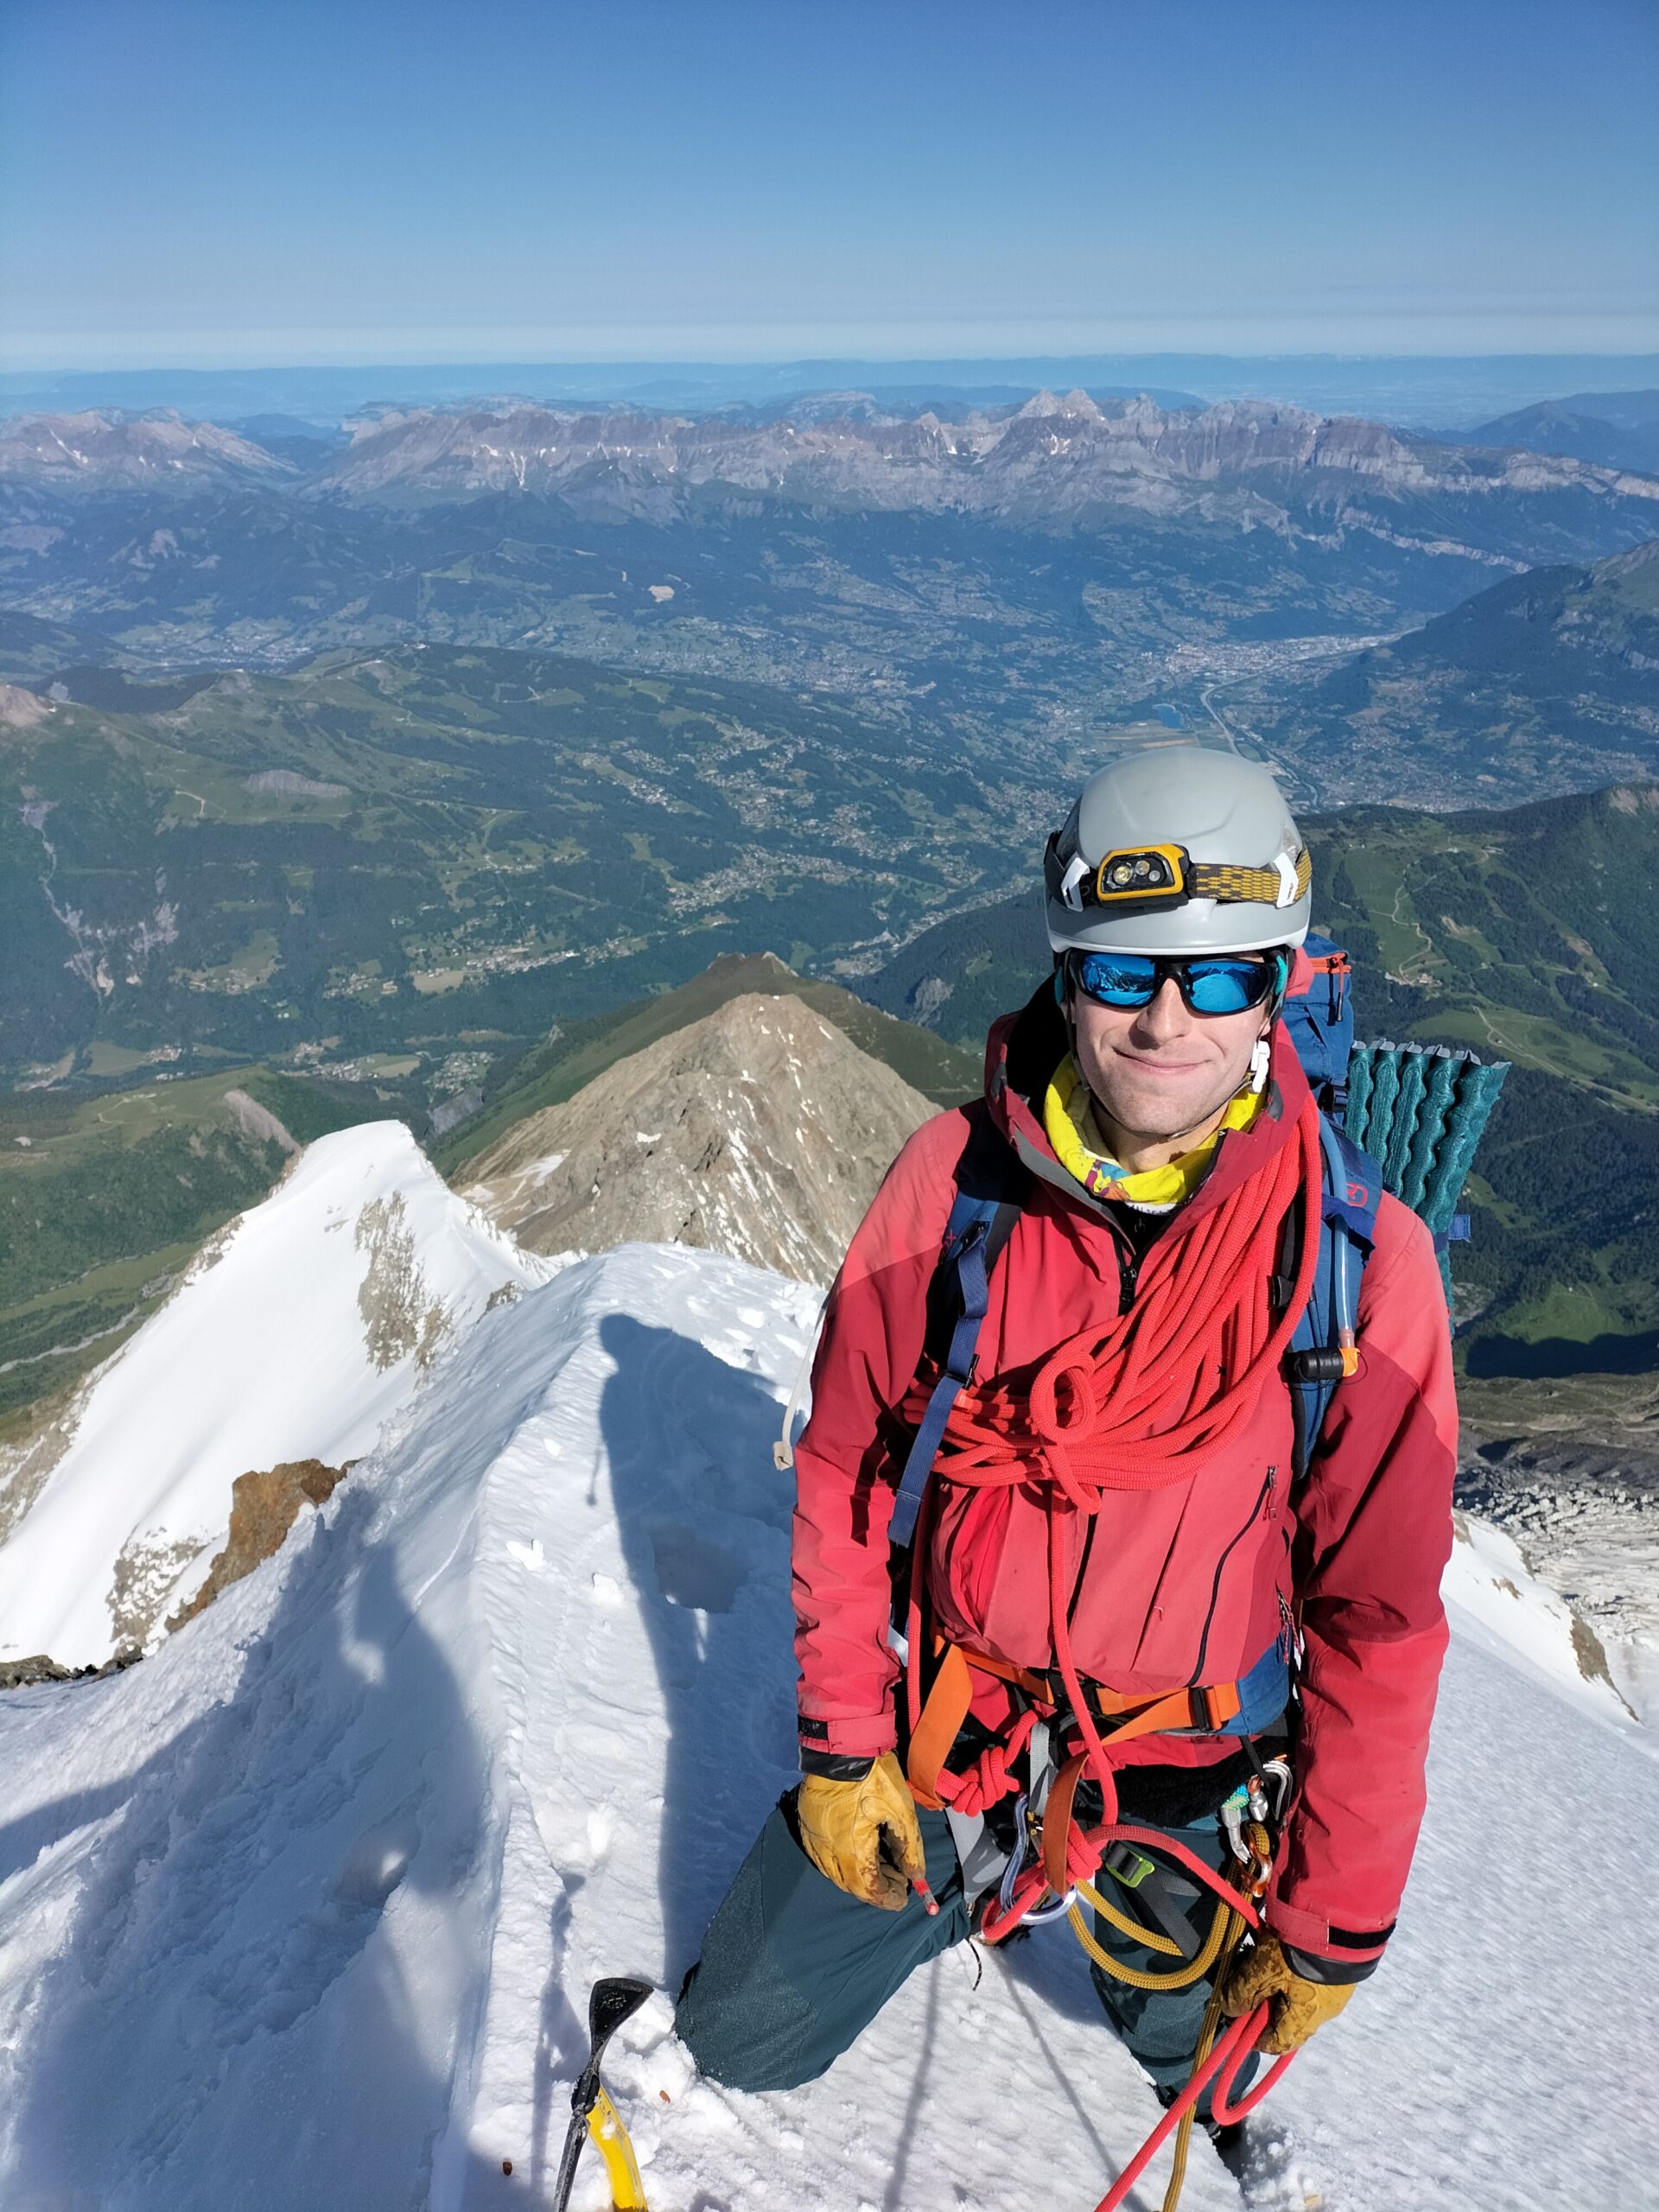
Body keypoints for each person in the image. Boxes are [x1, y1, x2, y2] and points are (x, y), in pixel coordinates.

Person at [675, 747, 1457, 2126]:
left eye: (1219, 978)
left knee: (1211, 2083)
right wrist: (845, 1748)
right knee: (738, 2034)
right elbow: (847, 1470)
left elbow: (1376, 1620)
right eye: (1125, 972)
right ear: (1067, 973)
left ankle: (1130, 1960)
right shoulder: (955, 1191)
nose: (1167, 1020)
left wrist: (1335, 1914)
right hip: (960, 1726)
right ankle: (1000, 1876)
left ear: (1276, 989)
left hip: (1193, 1770)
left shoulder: (1361, 1269)